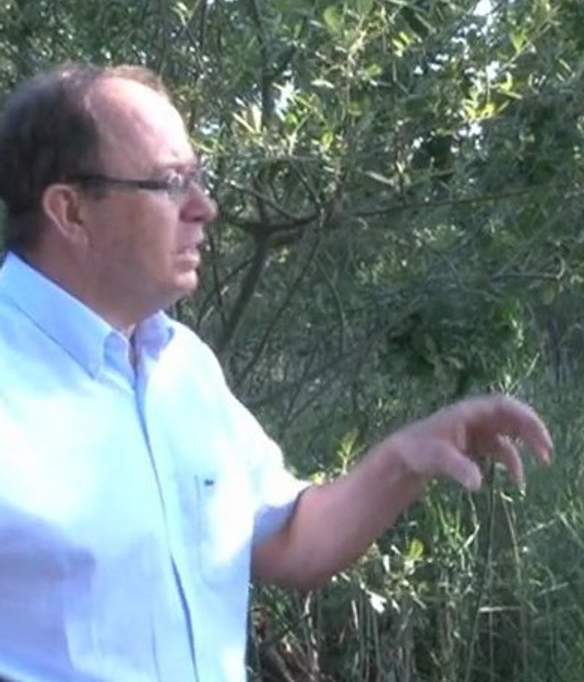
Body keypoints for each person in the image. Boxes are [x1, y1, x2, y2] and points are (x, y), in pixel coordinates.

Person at [0, 64, 554, 682]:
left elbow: (290, 542)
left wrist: (406, 456)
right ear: (71, 211)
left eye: (197, 177)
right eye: (168, 183)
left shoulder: (182, 367)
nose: (204, 208)